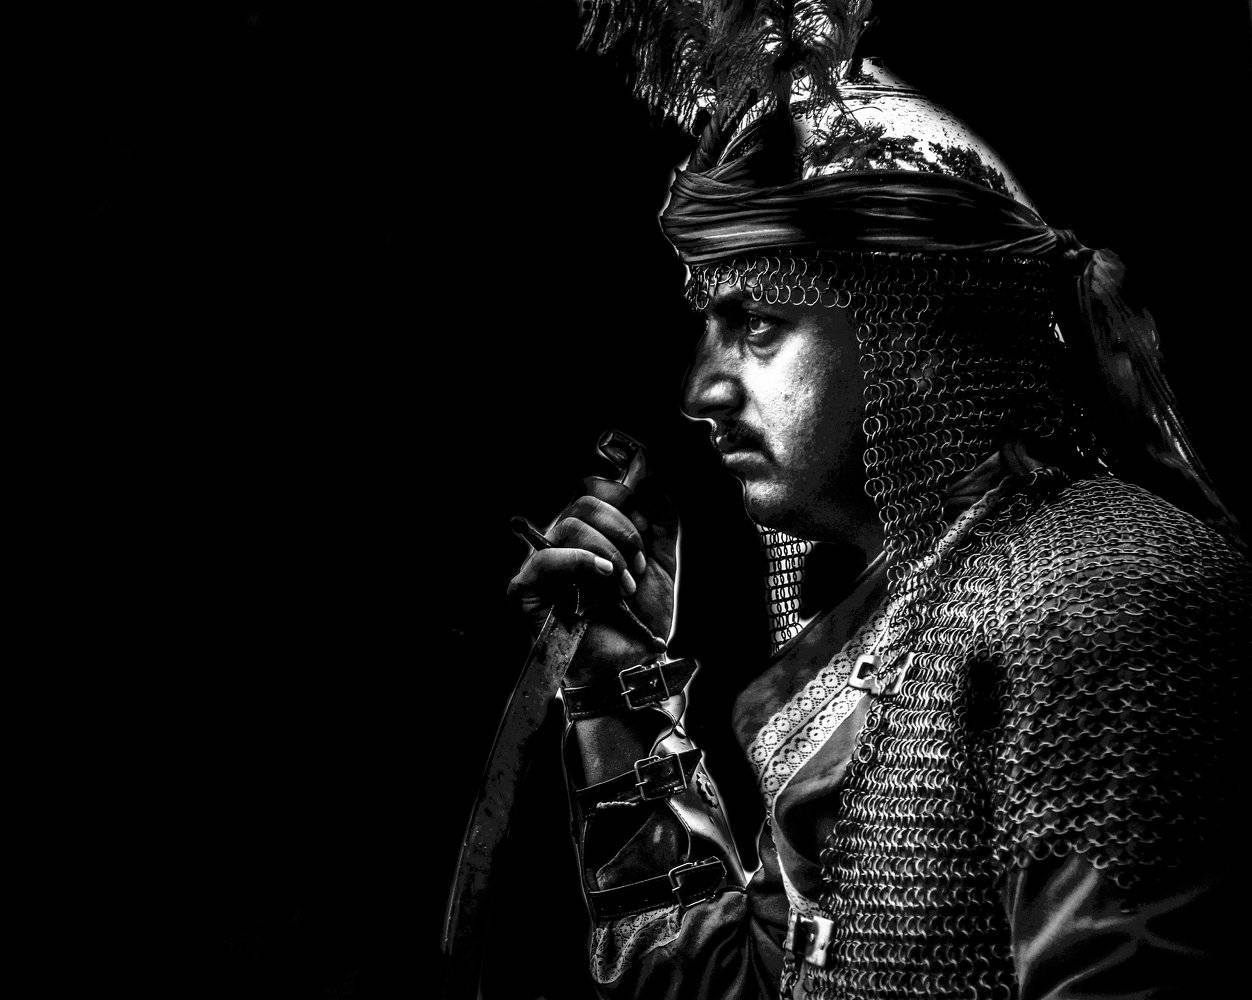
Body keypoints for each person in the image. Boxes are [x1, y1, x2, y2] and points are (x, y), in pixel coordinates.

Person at [504, 4, 1247, 998]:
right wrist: (618, 681)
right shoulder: (899, 629)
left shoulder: (1101, 599)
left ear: (914, 327)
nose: (702, 389)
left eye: (756, 325)